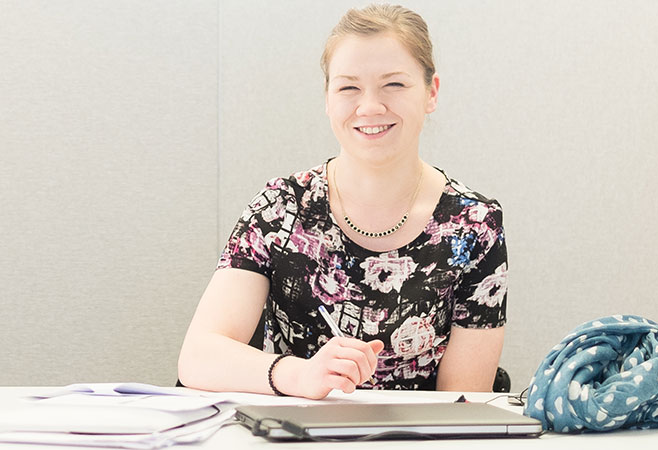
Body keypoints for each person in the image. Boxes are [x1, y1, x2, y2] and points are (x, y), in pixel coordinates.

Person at [177, 4, 507, 400]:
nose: (369, 106)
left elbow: (463, 404)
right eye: (349, 87)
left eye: (394, 85)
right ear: (328, 96)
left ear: (431, 92)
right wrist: (300, 375)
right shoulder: (281, 207)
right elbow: (199, 355)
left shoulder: (474, 224)